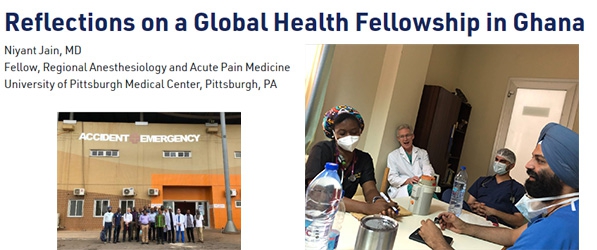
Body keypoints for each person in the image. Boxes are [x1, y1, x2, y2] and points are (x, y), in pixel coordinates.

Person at [419, 122, 579, 250]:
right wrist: (465, 227)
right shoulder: (559, 210)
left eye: (540, 160)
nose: (528, 165)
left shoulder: (556, 228)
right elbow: (513, 236)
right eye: (532, 157)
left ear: (566, 172)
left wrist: (437, 243)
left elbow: (521, 227)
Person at [305, 104, 398, 216]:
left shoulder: (364, 159)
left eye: (354, 132)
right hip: (311, 211)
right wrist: (367, 208)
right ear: (333, 133)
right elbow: (318, 193)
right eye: (342, 133)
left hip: (340, 214)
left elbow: (369, 190)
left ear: (360, 131)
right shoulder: (321, 150)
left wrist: (379, 203)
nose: (348, 137)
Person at [466, 148, 526, 228]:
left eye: (502, 161)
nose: (498, 163)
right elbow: (469, 203)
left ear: (511, 165)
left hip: (498, 228)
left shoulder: (518, 189)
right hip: (474, 220)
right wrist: (477, 207)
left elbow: (518, 221)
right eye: (496, 159)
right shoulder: (483, 181)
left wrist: (493, 212)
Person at [386, 123, 436, 199]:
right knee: (417, 190)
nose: (405, 139)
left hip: (421, 185)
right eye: (402, 136)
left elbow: (428, 170)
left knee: (428, 191)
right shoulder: (393, 156)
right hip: (403, 188)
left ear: (412, 136)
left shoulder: (422, 153)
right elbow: (392, 178)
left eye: (407, 135)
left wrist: (422, 179)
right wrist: (407, 180)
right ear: (398, 139)